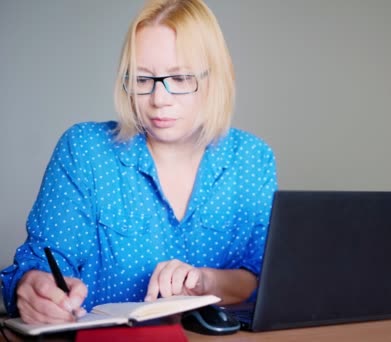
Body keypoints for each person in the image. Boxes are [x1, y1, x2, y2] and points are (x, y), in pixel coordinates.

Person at [0, 0, 277, 324]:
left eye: (181, 78)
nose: (159, 99)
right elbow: (42, 264)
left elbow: (262, 277)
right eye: (143, 80)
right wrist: (32, 287)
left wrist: (205, 281)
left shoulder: (253, 159)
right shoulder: (85, 151)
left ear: (216, 76)